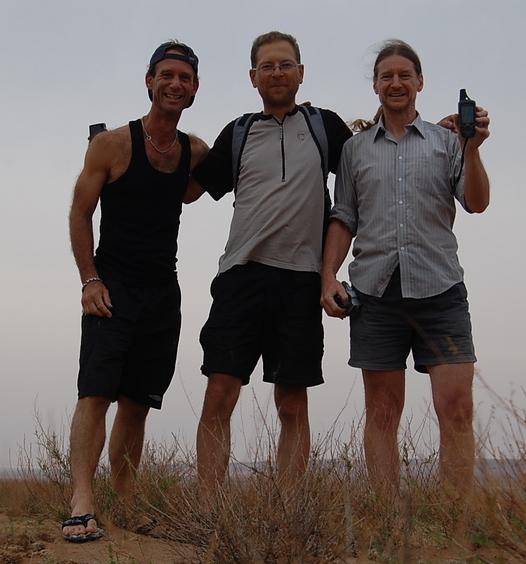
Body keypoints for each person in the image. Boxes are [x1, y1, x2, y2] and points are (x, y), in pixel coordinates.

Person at [185, 31, 352, 511]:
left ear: (301, 72)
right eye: (267, 66)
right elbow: (189, 189)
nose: (277, 73)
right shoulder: (237, 132)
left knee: (292, 404)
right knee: (220, 394)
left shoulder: (325, 127)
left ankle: (287, 511)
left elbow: (370, 162)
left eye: (286, 64)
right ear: (253, 76)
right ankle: (209, 511)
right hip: (240, 277)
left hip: (300, 281)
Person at [320, 39, 491, 504]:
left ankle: (457, 519)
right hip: (375, 294)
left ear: (419, 82)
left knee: (456, 409)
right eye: (386, 76)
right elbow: (344, 216)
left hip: (441, 291)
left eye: (404, 75)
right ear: (375, 85)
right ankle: (384, 519)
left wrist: (471, 148)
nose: (396, 83)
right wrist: (328, 276)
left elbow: (476, 202)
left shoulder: (446, 142)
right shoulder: (354, 151)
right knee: (381, 412)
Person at [62, 41, 208, 543]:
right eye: (166, 75)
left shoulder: (195, 151)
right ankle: (82, 500)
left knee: (138, 403)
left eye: (185, 77)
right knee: (95, 393)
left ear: (195, 88)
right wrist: (90, 279)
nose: (175, 84)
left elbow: (231, 175)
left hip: (162, 294)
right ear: (149, 82)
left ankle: (125, 503)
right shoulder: (111, 145)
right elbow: (80, 213)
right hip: (112, 287)